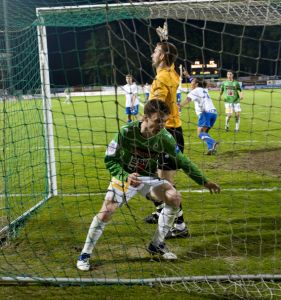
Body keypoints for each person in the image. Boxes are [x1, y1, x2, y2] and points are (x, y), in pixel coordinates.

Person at [76, 100, 220, 271]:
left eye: (165, 121)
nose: (162, 125)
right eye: (158, 120)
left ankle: (157, 244)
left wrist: (204, 181)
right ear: (145, 118)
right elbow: (110, 159)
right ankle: (85, 254)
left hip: (148, 178)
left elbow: (182, 160)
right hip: (125, 177)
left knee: (174, 198)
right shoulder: (126, 132)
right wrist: (125, 176)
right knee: (107, 211)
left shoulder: (165, 137)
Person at [145, 32, 188, 238]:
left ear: (162, 57)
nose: (152, 54)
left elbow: (158, 108)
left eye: (156, 51)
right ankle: (160, 211)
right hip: (172, 131)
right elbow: (171, 69)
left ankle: (179, 226)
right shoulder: (172, 74)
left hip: (165, 133)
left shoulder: (162, 79)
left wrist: (146, 126)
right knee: (155, 178)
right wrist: (165, 42)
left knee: (164, 184)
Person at [180, 77, 219, 155]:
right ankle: (211, 149)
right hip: (214, 113)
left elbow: (188, 99)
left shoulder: (195, 90)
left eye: (192, 82)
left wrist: (179, 106)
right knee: (205, 133)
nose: (191, 83)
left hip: (205, 113)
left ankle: (213, 142)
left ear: (196, 84)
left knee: (200, 133)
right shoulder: (204, 89)